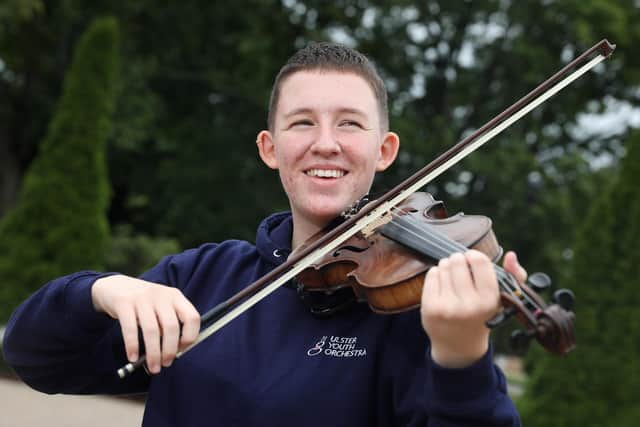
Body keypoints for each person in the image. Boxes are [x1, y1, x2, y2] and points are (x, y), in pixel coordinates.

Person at [3, 42, 525, 426]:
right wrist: (101, 290)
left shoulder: (412, 315)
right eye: (302, 123)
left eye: (349, 124)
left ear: (383, 150)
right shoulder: (199, 279)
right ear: (269, 148)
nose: (326, 144)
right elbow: (36, 360)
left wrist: (461, 358)